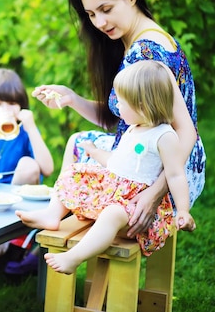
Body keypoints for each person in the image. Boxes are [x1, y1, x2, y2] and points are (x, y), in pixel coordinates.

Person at [33, 0, 205, 238]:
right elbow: (123, 117)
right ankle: (56, 226)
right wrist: (73, 98)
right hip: (152, 156)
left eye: (106, 9)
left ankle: (58, 233)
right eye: (91, 14)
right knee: (80, 142)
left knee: (79, 148)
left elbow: (186, 132)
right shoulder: (136, 40)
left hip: (167, 170)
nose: (100, 23)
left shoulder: (147, 52)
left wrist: (153, 194)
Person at [17, 60, 196, 274]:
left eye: (121, 103)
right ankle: (52, 214)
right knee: (74, 174)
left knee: (112, 214)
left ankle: (74, 258)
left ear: (141, 105)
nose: (117, 107)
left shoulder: (164, 136)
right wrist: (93, 152)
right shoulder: (134, 128)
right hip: (114, 190)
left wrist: (183, 210)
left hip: (135, 205)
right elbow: (116, 162)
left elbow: (175, 175)